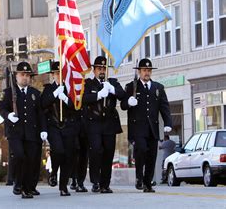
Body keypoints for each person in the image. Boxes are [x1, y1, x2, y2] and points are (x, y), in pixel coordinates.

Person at [121, 58, 173, 193]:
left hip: (152, 128)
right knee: (142, 150)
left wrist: (168, 123)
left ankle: (147, 182)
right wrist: (128, 102)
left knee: (152, 156)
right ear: (139, 71)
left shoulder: (158, 88)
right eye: (144, 70)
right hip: (137, 128)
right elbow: (123, 105)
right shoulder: (131, 87)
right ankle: (139, 177)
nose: (147, 73)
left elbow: (164, 107)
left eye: (149, 70)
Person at [0, 61, 46, 199]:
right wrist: (8, 115)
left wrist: (44, 130)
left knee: (30, 160)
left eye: (27, 75)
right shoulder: (8, 93)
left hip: (31, 133)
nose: (25, 77)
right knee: (19, 155)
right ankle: (17, 182)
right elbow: (1, 109)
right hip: (15, 132)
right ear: (16, 76)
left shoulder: (35, 93)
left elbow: (40, 114)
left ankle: (26, 189)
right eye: (22, 74)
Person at [83, 56, 126, 193]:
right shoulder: (89, 83)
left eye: (104, 68)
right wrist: (98, 95)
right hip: (94, 123)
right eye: (99, 68)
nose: (102, 71)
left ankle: (105, 184)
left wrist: (112, 89)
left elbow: (122, 95)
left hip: (109, 124)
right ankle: (95, 181)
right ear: (94, 70)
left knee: (108, 153)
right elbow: (83, 98)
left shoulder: (112, 82)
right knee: (95, 151)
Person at [41, 61, 79, 196]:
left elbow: (76, 107)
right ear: (53, 75)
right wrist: (54, 95)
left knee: (68, 156)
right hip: (54, 126)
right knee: (59, 151)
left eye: (61, 73)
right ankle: (53, 172)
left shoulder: (69, 88)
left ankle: (63, 186)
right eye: (56, 73)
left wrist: (66, 98)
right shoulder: (48, 89)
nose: (59, 76)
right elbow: (43, 105)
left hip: (68, 126)